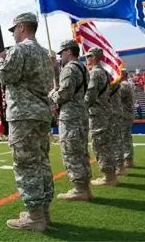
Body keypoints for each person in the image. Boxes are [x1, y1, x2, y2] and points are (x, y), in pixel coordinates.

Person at [0, 12, 54, 232]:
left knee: (26, 165)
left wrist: (0, 62)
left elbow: (5, 77)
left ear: (21, 27)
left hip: (24, 114)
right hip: (42, 114)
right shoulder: (45, 53)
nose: (12, 36)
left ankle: (35, 217)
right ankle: (44, 211)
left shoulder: (20, 50)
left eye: (14, 31)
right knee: (41, 162)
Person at [49, 40, 92, 201]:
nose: (60, 57)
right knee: (81, 151)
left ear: (68, 51)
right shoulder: (81, 68)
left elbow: (63, 94)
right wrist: (55, 68)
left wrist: (52, 94)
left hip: (70, 116)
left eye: (61, 54)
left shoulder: (69, 69)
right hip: (80, 114)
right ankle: (85, 188)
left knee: (71, 151)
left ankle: (79, 189)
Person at [84, 47, 119, 185]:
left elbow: (90, 95)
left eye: (88, 56)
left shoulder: (94, 74)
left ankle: (109, 177)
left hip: (97, 114)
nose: (86, 59)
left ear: (94, 57)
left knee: (100, 145)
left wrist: (81, 106)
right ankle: (111, 175)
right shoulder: (104, 73)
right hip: (105, 112)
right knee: (106, 144)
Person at [120, 68, 136, 168]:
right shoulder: (127, 84)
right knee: (126, 137)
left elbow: (117, 96)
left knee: (124, 137)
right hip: (126, 114)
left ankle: (128, 160)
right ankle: (128, 160)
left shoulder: (124, 85)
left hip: (124, 115)